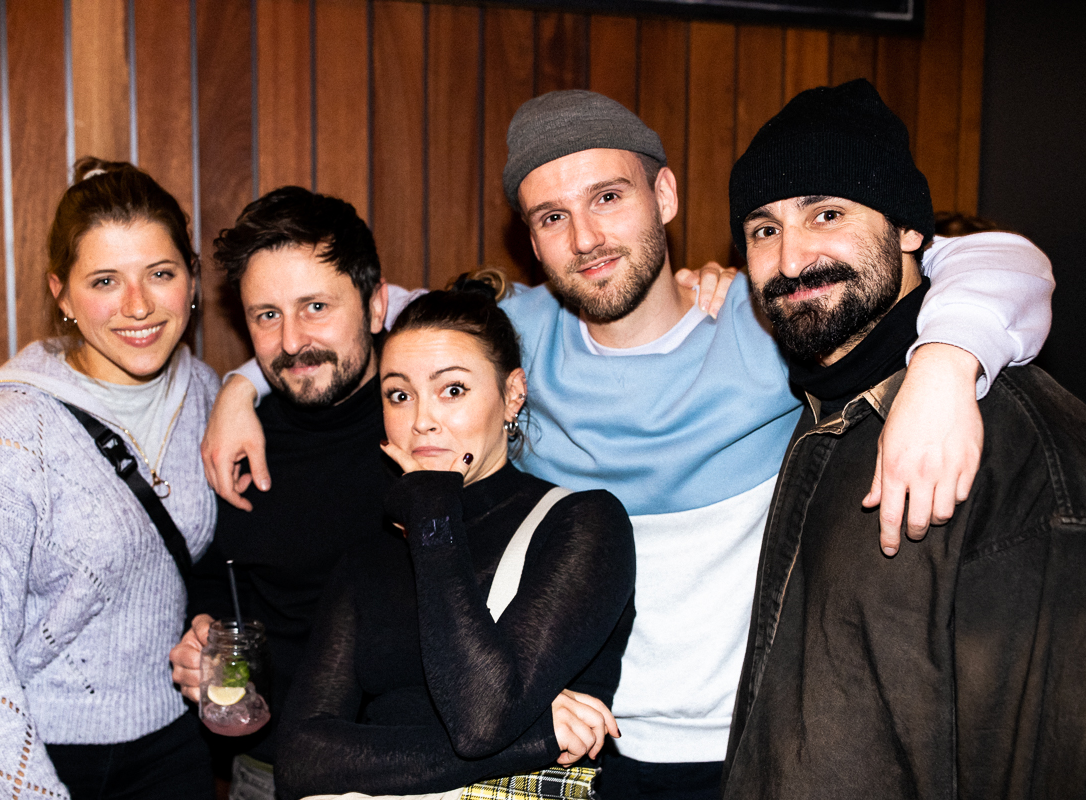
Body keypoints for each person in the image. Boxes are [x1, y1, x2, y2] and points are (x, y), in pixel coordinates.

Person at [204, 90, 1053, 799]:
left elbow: (996, 256)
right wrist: (239, 387)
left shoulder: (768, 323)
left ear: (667, 197)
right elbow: (337, 313)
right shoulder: (514, 338)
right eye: (551, 216)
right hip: (580, 752)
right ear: (529, 241)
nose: (586, 238)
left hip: (755, 744)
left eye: (609, 197)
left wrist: (946, 362)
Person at [723, 78, 1086, 800]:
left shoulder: (1009, 441)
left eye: (826, 213)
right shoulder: (822, 406)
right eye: (764, 229)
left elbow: (1042, 756)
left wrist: (951, 362)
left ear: (911, 229)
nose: (791, 261)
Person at [0, 158, 219, 800]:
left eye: (161, 273)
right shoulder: (3, 435)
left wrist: (247, 391)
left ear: (193, 279)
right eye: (105, 280)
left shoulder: (205, 393)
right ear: (61, 293)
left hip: (174, 748)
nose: (137, 306)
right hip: (33, 755)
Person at [275, 279, 636, 799]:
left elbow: (481, 720)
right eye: (400, 395)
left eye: (453, 390)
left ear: (512, 394)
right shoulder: (369, 555)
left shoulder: (582, 523)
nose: (422, 421)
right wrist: (535, 739)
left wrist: (432, 520)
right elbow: (300, 761)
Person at [170, 187, 394, 799]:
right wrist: (201, 638)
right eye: (266, 315)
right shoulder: (234, 446)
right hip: (267, 774)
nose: (291, 341)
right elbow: (217, 578)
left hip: (417, 773)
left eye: (316, 306)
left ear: (377, 307)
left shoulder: (429, 423)